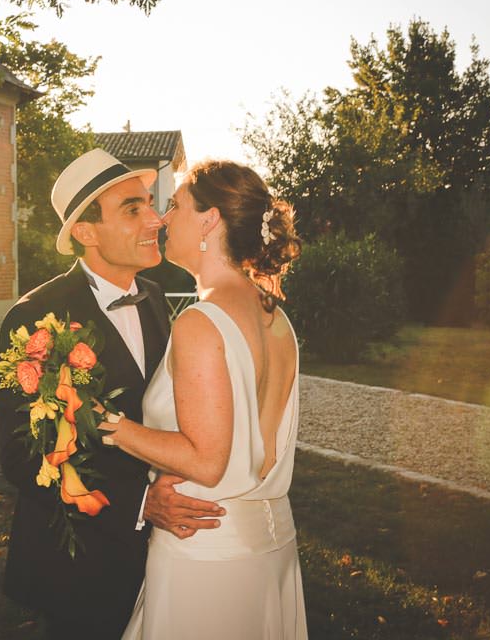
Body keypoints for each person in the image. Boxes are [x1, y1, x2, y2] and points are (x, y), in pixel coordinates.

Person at [0, 148, 226, 640]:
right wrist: (140, 504)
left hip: (162, 554)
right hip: (80, 564)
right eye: (132, 209)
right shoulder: (37, 319)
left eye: (151, 205)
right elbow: (25, 458)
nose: (155, 220)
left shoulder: (155, 298)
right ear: (86, 232)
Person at [99, 159, 306, 639]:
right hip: (270, 542)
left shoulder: (201, 321)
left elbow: (208, 462)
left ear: (209, 220)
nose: (163, 219)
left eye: (175, 206)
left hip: (207, 550)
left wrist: (107, 424)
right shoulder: (276, 318)